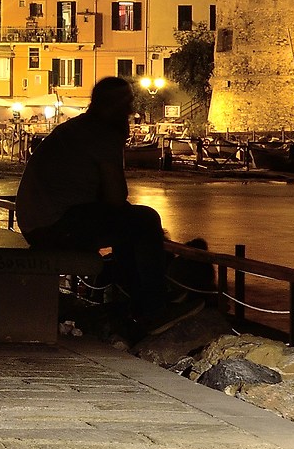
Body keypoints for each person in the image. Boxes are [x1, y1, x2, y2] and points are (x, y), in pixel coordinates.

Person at [14, 77, 194, 336]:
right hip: (56, 226)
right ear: (114, 107)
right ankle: (154, 309)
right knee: (145, 220)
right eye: (128, 104)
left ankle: (132, 300)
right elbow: (115, 198)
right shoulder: (102, 134)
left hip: (38, 223)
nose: (132, 111)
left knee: (128, 223)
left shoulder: (76, 128)